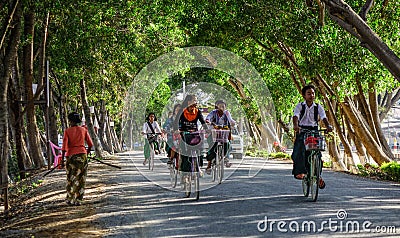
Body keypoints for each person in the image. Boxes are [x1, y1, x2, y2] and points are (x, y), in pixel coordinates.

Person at [291, 84, 333, 189]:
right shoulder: (300, 106)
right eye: (309, 93)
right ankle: (300, 172)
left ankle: (317, 176)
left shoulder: (318, 107)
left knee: (317, 153)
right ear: (304, 95)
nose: (311, 95)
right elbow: (295, 116)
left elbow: (323, 117)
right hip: (302, 130)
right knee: (299, 151)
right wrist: (296, 126)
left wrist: (328, 126)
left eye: (313, 93)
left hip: (314, 130)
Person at [62, 112, 93, 206]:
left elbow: (64, 147)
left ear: (70, 121)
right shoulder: (84, 130)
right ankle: (78, 200)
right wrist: (86, 154)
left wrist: (62, 159)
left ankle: (70, 198)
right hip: (82, 155)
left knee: (70, 177)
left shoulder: (67, 131)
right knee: (81, 178)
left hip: (71, 156)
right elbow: (90, 144)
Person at [205, 100, 236, 174]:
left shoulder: (227, 113)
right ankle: (209, 165)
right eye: (220, 106)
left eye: (223, 106)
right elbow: (208, 118)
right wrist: (208, 121)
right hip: (213, 133)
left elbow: (230, 120)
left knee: (228, 144)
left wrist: (232, 122)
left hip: (224, 133)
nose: (222, 108)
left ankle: (225, 157)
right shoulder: (213, 112)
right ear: (216, 107)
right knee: (211, 147)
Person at [178, 95, 207, 172]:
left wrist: (207, 129)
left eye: (196, 100)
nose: (196, 102)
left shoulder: (197, 112)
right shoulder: (182, 111)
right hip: (184, 133)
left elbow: (203, 122)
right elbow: (176, 122)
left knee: (200, 146)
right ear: (188, 102)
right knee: (185, 152)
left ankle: (199, 165)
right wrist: (176, 129)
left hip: (194, 133)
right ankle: (185, 173)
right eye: (194, 100)